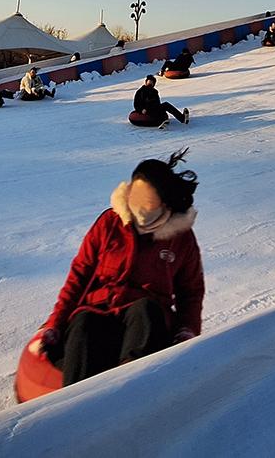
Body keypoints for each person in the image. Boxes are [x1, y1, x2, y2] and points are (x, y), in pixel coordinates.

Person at [36, 148, 204, 387]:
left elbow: (191, 291)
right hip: (101, 309)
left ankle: (129, 392)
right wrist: (56, 322)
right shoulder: (109, 223)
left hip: (147, 317)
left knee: (145, 310)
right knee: (84, 322)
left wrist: (187, 329)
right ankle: (74, 401)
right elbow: (80, 274)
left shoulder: (181, 238)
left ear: (164, 202)